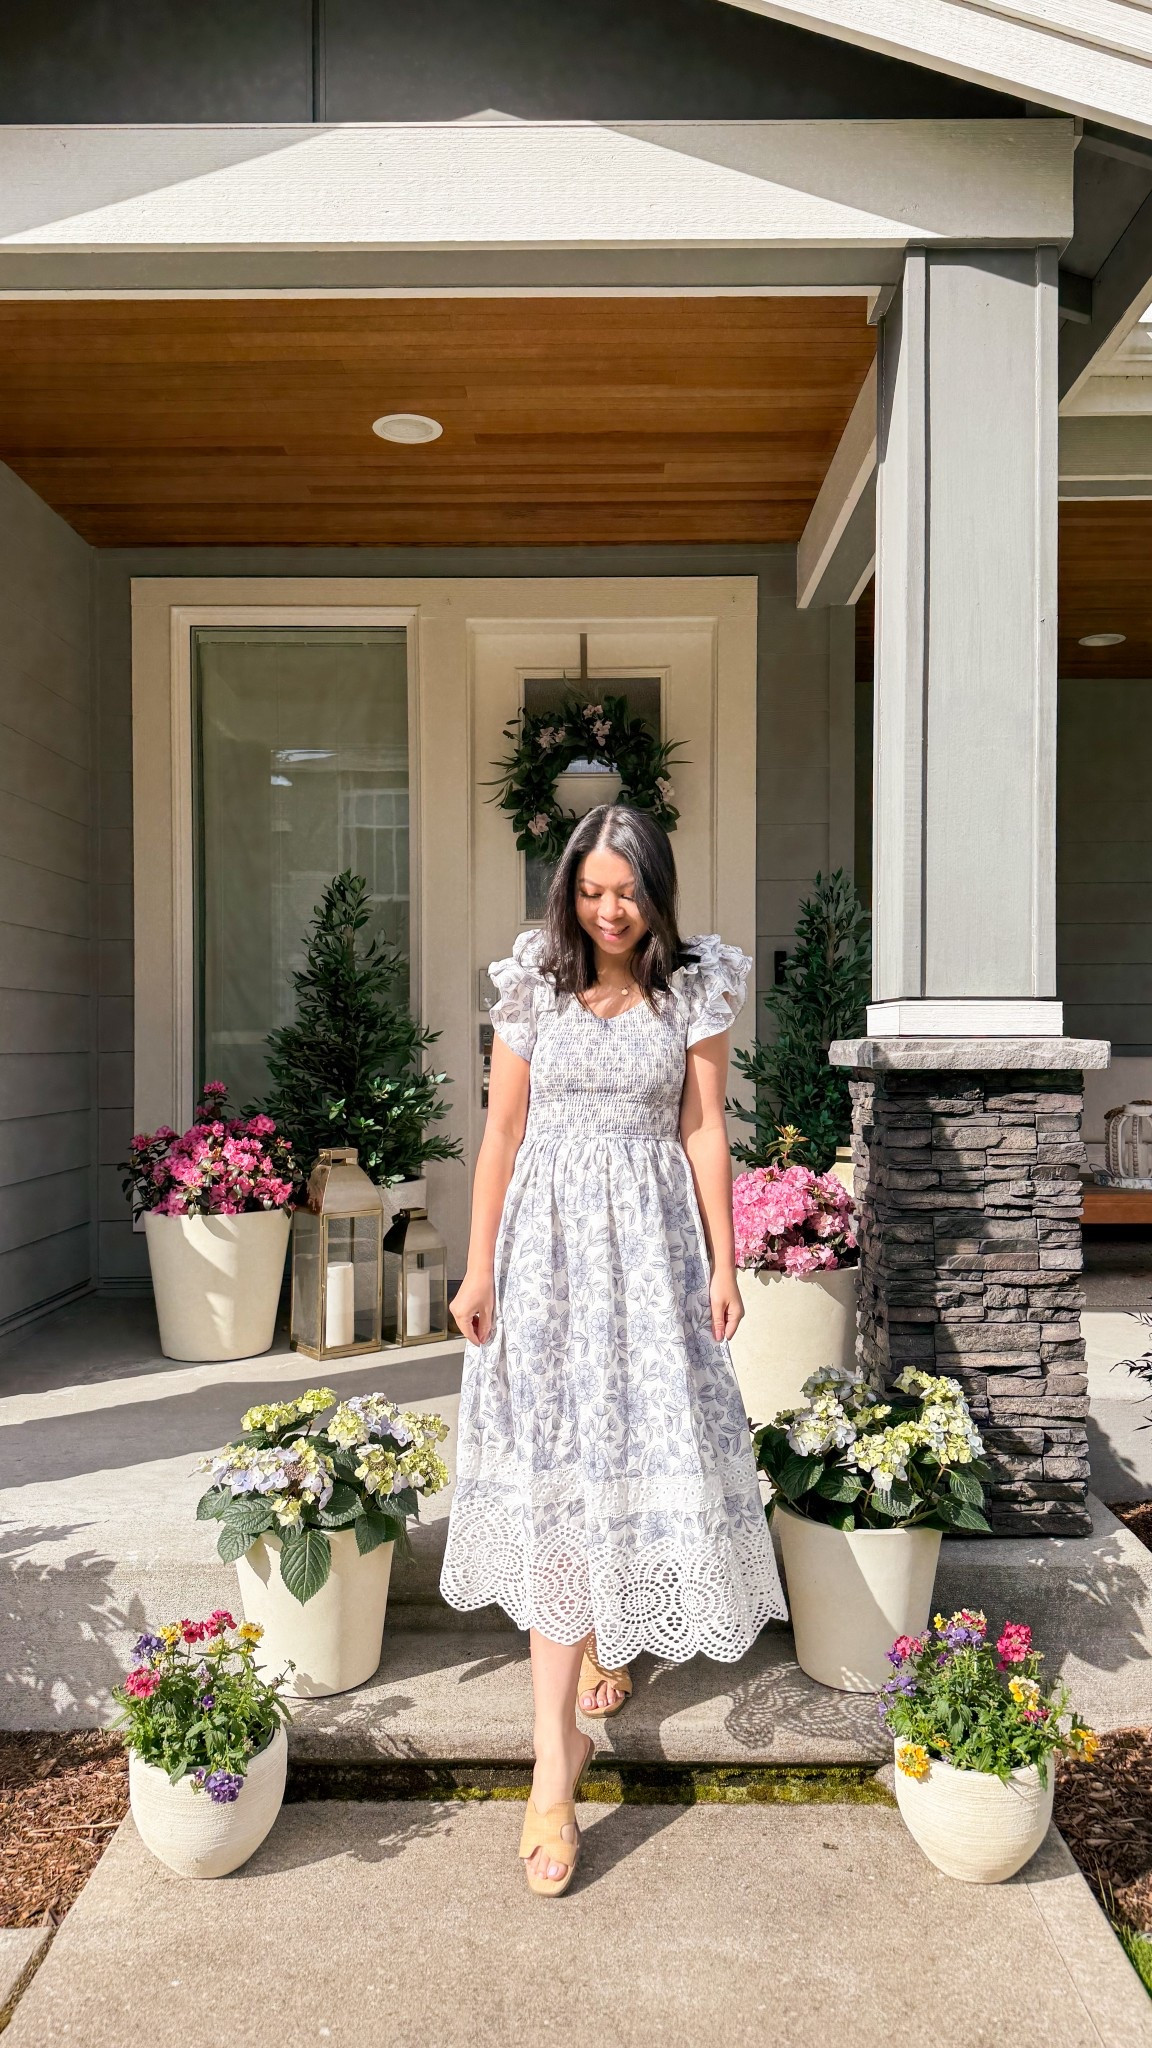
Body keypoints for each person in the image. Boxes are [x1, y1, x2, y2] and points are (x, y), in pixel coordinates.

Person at [440, 805, 785, 1895]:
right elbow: (500, 1129)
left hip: (650, 1256)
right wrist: (478, 1266)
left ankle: (607, 1635)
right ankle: (554, 1763)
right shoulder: (534, 981)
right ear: (568, 893)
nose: (610, 910)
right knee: (557, 1481)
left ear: (657, 889)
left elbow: (702, 1127)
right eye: (591, 892)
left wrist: (725, 1263)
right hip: (544, 1257)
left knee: (633, 1452)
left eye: (626, 892)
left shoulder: (695, 984)